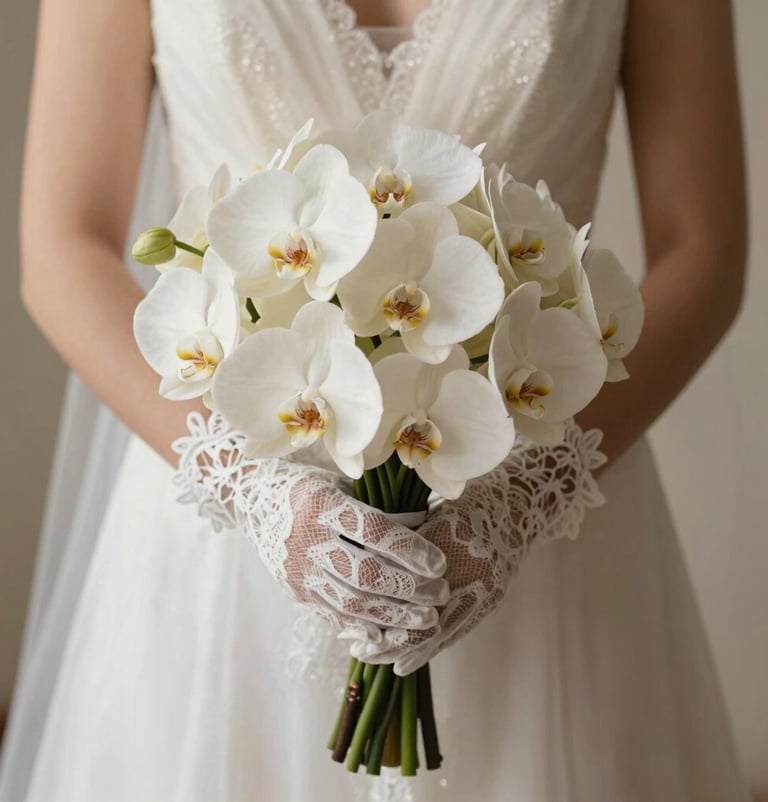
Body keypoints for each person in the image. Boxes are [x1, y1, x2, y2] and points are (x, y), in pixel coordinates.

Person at [1, 0, 750, 800]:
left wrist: (526, 498)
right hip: (219, 544)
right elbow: (63, 244)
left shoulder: (530, 502)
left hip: (543, 525)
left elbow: (703, 247)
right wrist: (253, 491)